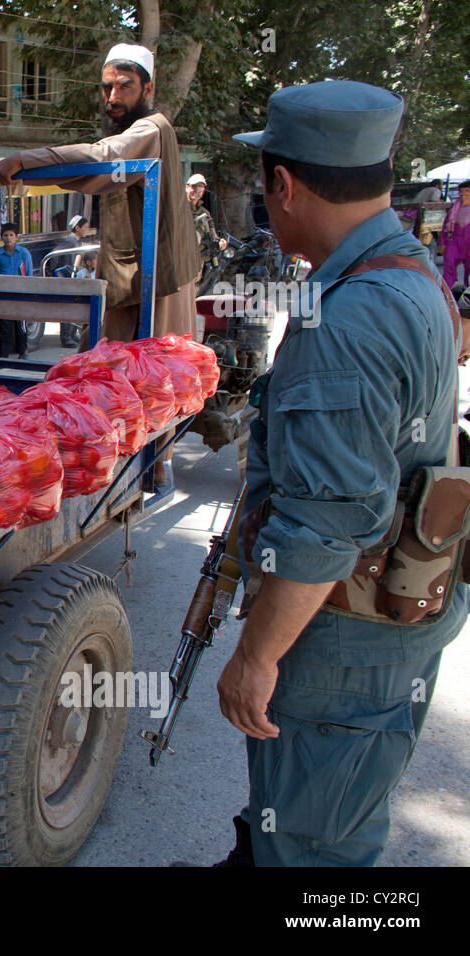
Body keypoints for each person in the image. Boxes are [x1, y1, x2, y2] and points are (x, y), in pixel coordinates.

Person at [212, 80, 468, 867]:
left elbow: (328, 522)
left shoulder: (350, 319)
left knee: (317, 848)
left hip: (342, 641)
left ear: (281, 186)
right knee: (297, 815)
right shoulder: (409, 271)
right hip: (387, 626)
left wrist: (255, 657)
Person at [0, 43, 200, 493]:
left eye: (124, 86)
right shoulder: (139, 126)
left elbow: (105, 159)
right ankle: (128, 462)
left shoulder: (151, 128)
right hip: (130, 275)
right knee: (113, 374)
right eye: (107, 87)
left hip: (157, 280)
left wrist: (26, 162)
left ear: (148, 86)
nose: (113, 97)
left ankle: (153, 468)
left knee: (149, 381)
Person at [0, 222, 33, 358]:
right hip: (5, 295)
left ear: (17, 237)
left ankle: (23, 352)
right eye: (5, 235)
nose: (8, 238)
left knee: (21, 325)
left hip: (21, 293)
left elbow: (29, 274)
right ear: (1, 237)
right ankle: (3, 356)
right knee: (5, 326)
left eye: (11, 235)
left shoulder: (23, 253)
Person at [187, 173, 227, 282]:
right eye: (194, 187)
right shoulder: (179, 209)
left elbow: (212, 234)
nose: (197, 191)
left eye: (201, 188)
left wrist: (220, 242)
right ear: (187, 187)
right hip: (182, 260)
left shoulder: (204, 213)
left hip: (198, 261)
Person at [59, 214, 93, 346]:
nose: (87, 229)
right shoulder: (70, 242)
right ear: (77, 228)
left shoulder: (76, 241)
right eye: (85, 227)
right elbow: (67, 262)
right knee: (68, 309)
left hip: (73, 278)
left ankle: (72, 334)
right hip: (69, 279)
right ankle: (66, 337)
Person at [438, 181, 469, 291]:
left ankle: (467, 294)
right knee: (449, 265)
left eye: (466, 191)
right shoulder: (454, 210)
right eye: (461, 191)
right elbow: (445, 228)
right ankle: (445, 293)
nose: (463, 194)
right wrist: (442, 243)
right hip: (454, 241)